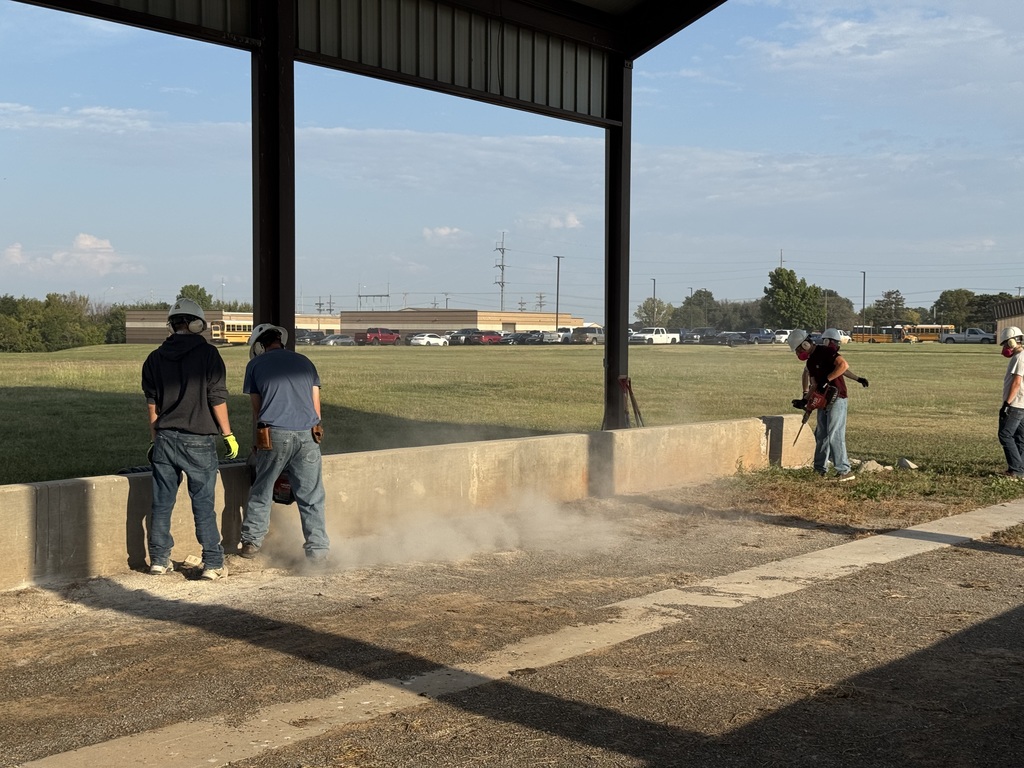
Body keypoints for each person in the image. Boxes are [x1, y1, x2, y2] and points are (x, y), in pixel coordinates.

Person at [142, 297, 239, 580]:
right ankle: (212, 563)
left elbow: (152, 406)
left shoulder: (154, 358)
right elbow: (217, 398)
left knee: (161, 503)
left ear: (171, 325)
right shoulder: (209, 355)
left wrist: (154, 438)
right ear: (197, 324)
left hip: (165, 439)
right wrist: (228, 434)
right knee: (203, 504)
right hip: (199, 440)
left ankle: (158, 560)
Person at [239, 323, 330, 563]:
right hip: (309, 434)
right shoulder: (305, 362)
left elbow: (257, 409)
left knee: (262, 488)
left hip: (275, 433)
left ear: (260, 345)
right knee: (311, 495)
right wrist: (314, 430)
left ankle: (251, 542)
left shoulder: (255, 365)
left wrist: (259, 440)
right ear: (282, 341)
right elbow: (315, 404)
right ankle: (318, 550)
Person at [789, 328, 869, 481]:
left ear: (805, 345)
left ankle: (844, 471)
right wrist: (805, 400)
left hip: (837, 398)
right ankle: (819, 469)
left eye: (798, 349)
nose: (798, 353)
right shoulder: (811, 361)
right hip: (823, 400)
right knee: (822, 435)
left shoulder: (825, 352)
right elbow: (814, 384)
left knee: (834, 435)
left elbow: (843, 365)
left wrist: (827, 379)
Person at [997, 326, 1024, 479]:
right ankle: (1020, 468)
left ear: (1012, 342)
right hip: (1022, 403)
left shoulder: (1019, 357)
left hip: (1016, 404)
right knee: (1020, 437)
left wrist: (1007, 403)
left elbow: (1016, 382)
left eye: (1006, 343)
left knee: (1005, 435)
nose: (1005, 347)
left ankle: (1016, 470)